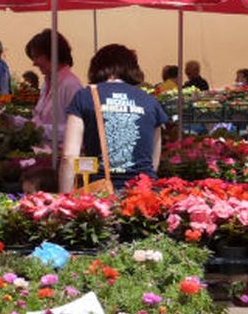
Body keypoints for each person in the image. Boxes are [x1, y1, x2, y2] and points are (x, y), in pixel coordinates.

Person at [59, 44, 168, 193]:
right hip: (142, 193)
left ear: (97, 67)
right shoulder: (150, 101)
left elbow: (69, 157)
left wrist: (64, 199)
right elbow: (153, 159)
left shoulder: (85, 97)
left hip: (100, 194)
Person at [25, 29, 82, 146]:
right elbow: (39, 120)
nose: (34, 63)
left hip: (62, 157)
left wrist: (40, 130)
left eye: (37, 57)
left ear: (53, 54)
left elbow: (76, 129)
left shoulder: (71, 85)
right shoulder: (46, 83)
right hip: (44, 153)